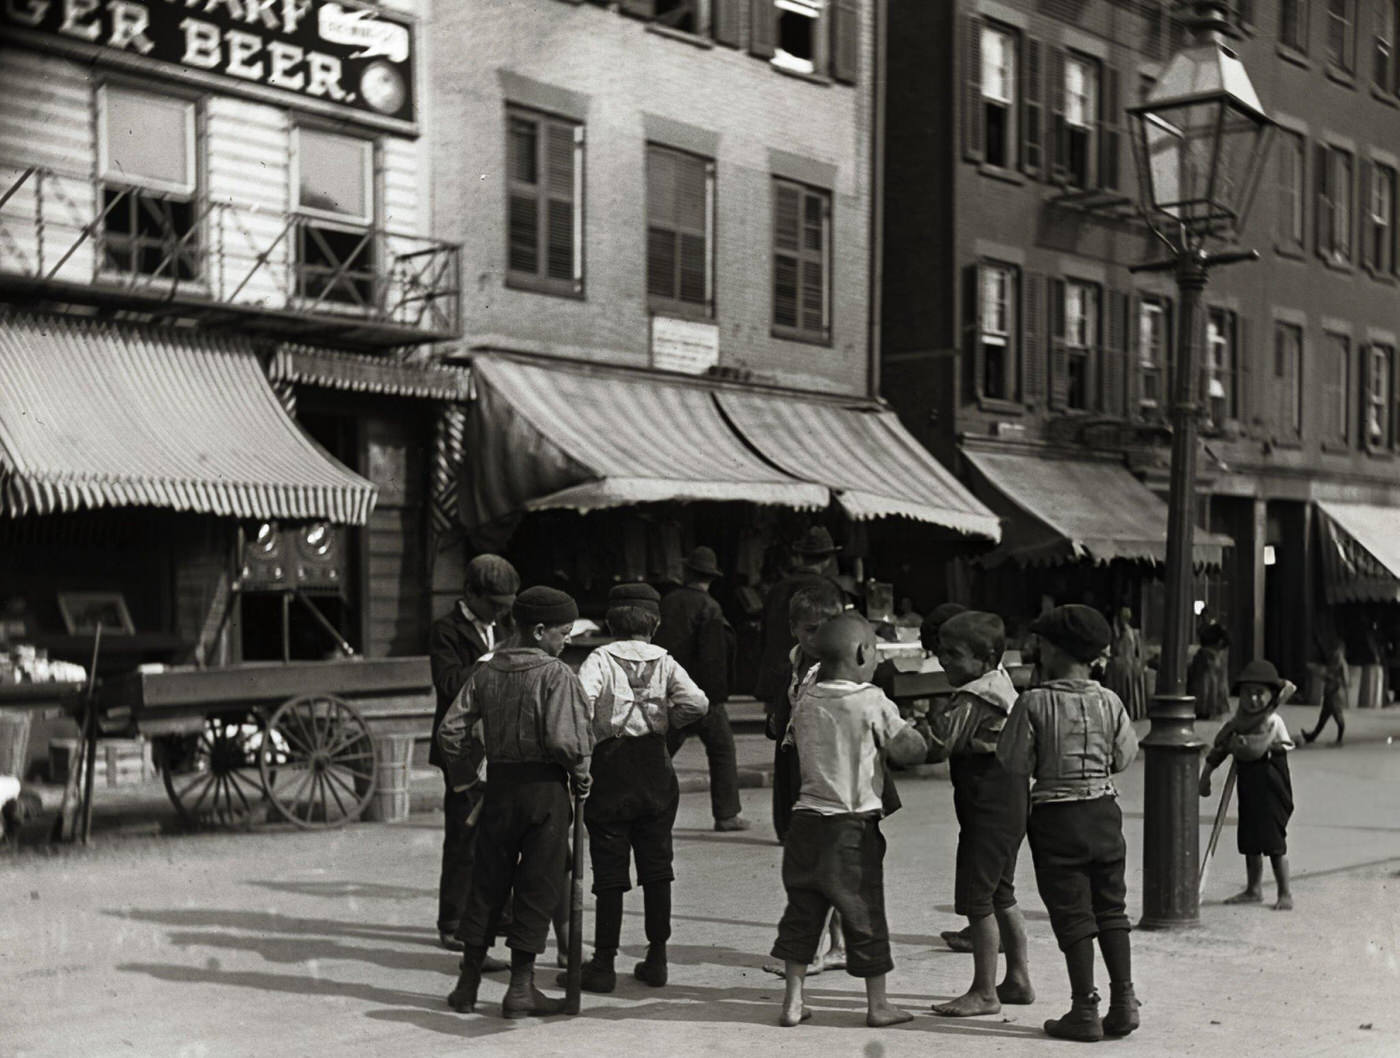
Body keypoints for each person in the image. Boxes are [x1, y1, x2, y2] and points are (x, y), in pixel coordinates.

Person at [439, 586, 593, 1019]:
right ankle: (521, 989)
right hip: (544, 791)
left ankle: (467, 986)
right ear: (540, 631)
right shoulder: (557, 675)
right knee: (538, 885)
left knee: (487, 884)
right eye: (563, 633)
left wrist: (469, 780)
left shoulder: (486, 671)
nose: (567, 641)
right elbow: (566, 741)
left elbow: (451, 731)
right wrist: (581, 776)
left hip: (499, 791)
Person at [769, 613, 928, 1028]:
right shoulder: (871, 699)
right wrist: (921, 735)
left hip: (804, 823)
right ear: (862, 653)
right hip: (852, 827)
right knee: (864, 913)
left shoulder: (803, 701)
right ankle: (877, 1006)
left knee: (802, 912)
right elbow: (909, 748)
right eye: (875, 649)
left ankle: (792, 1001)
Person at [997, 605, 1140, 1042]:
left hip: (1057, 819)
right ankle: (1124, 1001)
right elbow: (1124, 756)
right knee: (1111, 908)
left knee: (1073, 915)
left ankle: (1084, 1009)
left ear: (1055, 650)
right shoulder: (1110, 701)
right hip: (1103, 813)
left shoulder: (1033, 702)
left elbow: (1013, 760)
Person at [571, 583, 708, 994]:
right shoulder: (665, 660)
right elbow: (697, 703)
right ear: (657, 622)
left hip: (611, 768)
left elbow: (581, 699)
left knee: (610, 871)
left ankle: (604, 963)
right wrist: (666, 727)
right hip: (654, 767)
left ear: (612, 622)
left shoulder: (600, 657)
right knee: (657, 866)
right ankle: (657, 957)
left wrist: (595, 731)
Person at [924, 611, 1034, 1017]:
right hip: (1010, 802)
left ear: (985, 658)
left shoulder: (975, 696)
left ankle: (984, 991)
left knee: (978, 898)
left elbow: (938, 744)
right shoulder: (999, 682)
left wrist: (894, 731)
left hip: (987, 807)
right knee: (1002, 892)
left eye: (954, 654)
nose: (944, 662)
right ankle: (1018, 977)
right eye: (941, 653)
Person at [426, 554, 519, 958]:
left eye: (506, 604)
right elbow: (448, 682)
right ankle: (452, 922)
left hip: (497, 745)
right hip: (460, 748)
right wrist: (491, 660)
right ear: (471, 595)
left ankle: (496, 915)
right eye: (495, 604)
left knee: (499, 834)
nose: (502, 611)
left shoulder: (504, 624)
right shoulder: (445, 630)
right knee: (464, 835)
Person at [756, 526, 844, 841]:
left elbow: (764, 634)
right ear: (827, 558)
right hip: (817, 671)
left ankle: (785, 824)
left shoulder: (778, 589)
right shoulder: (830, 590)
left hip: (781, 674)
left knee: (785, 748)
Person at [654, 546, 749, 832]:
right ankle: (726, 814)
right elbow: (713, 657)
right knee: (722, 752)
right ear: (711, 577)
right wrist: (715, 696)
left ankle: (644, 807)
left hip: (670, 689)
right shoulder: (710, 607)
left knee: (660, 752)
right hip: (702, 692)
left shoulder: (667, 602)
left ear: (687, 573)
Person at [1199, 660, 1296, 910]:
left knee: (1274, 842)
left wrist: (1241, 744)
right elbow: (1220, 748)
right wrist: (1206, 775)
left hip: (1272, 788)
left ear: (1271, 695)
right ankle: (1253, 889)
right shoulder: (1238, 722)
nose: (1252, 699)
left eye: (1259, 693)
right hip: (1250, 787)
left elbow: (1257, 748)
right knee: (1250, 838)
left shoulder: (1273, 722)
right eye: (1247, 693)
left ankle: (1285, 893)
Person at [1102, 607, 1149, 722]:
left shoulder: (1131, 633)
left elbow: (1137, 652)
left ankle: (1128, 713)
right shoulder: (1119, 633)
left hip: (1126, 666)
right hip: (1122, 666)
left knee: (1126, 691)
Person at [1303, 641, 1348, 744]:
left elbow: (1344, 681)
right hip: (1329, 695)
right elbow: (1326, 674)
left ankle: (1339, 739)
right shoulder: (1335, 663)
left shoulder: (1341, 665)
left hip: (1334, 696)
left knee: (1338, 719)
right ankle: (1311, 737)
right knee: (1322, 720)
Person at [1187, 621, 1231, 719]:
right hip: (1205, 710)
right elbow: (1209, 688)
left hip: (1203, 708)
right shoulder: (1207, 659)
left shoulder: (1201, 657)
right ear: (1219, 643)